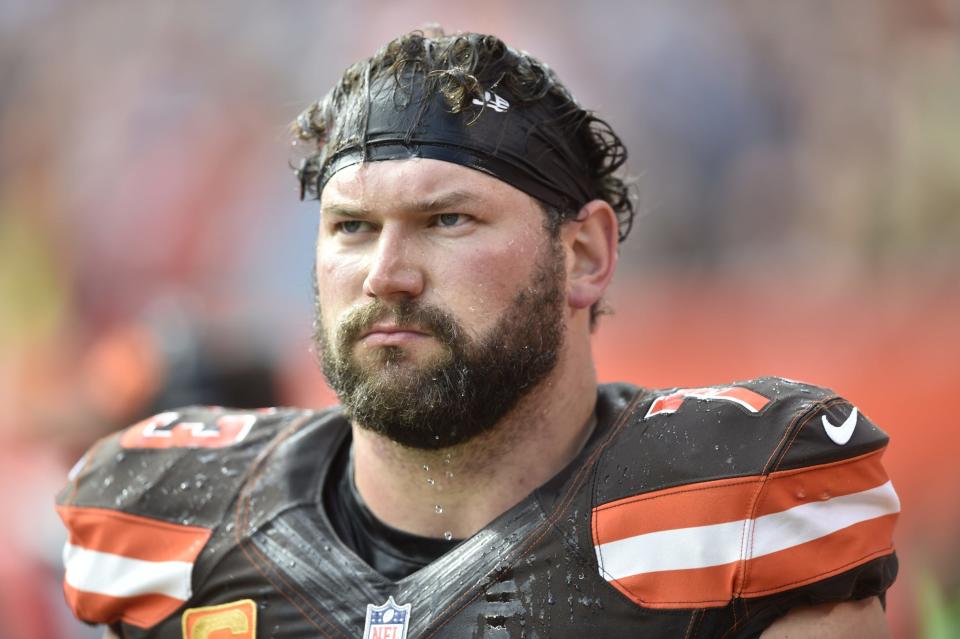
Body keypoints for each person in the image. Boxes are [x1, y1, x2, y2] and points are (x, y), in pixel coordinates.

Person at [57, 30, 899, 638]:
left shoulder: (731, 512)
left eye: (446, 219)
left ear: (584, 253)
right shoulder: (168, 521)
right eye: (351, 227)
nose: (387, 272)